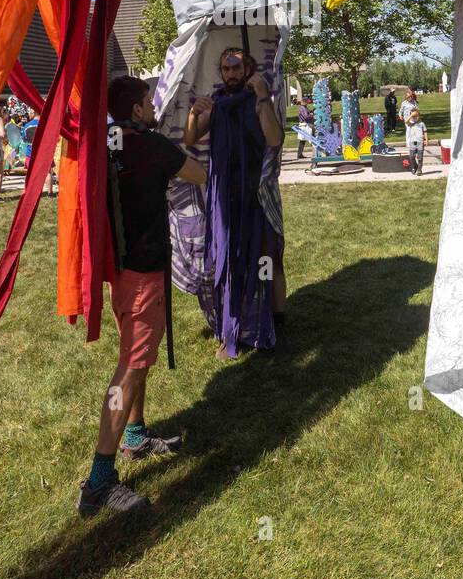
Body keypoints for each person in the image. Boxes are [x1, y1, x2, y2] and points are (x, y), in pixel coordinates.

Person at [78, 76, 205, 516]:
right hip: (143, 273)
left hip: (120, 269)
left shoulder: (109, 143)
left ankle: (134, 437)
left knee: (138, 356)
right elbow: (197, 172)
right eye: (150, 101)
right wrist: (192, 130)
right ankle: (99, 480)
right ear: (136, 109)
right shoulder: (150, 146)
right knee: (130, 368)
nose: (154, 107)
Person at [184, 46, 285, 357]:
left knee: (267, 257)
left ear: (248, 70)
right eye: (226, 69)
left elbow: (274, 139)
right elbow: (190, 139)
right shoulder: (217, 103)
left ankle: (273, 319)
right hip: (223, 195)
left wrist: (264, 98)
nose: (231, 74)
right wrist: (192, 114)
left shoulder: (258, 100)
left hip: (256, 193)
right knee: (227, 261)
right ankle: (233, 326)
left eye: (236, 68)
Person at [399, 88, 425, 176]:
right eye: (408, 97)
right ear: (406, 97)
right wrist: (400, 116)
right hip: (407, 121)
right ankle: (411, 146)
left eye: (410, 96)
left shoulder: (414, 103)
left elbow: (418, 112)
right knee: (409, 133)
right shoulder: (404, 103)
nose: (409, 98)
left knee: (414, 133)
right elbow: (400, 111)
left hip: (413, 121)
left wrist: (415, 115)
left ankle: (414, 146)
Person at [295, 95, 313, 160]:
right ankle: (315, 152)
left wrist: (311, 111)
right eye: (307, 101)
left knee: (302, 140)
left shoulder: (304, 107)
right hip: (304, 125)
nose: (308, 103)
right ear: (305, 102)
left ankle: (299, 154)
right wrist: (311, 115)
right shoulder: (302, 108)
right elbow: (306, 116)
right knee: (310, 139)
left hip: (304, 125)